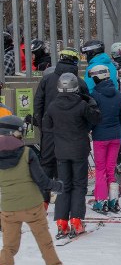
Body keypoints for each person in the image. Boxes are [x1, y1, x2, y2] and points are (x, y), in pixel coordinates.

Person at [0, 115, 66, 265]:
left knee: (8, 248)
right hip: (33, 207)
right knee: (45, 245)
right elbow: (42, 181)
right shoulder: (27, 153)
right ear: (15, 133)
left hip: (8, 209)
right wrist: (58, 186)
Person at [45, 73, 100, 239]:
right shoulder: (82, 104)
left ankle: (61, 221)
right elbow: (96, 119)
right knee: (79, 185)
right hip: (79, 150)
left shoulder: (53, 106)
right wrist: (91, 103)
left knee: (63, 185)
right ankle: (76, 219)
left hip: (61, 151)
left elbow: (47, 125)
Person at [33, 49, 86, 192]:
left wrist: (42, 123)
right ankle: (64, 194)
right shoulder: (80, 83)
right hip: (72, 131)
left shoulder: (47, 79)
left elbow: (38, 103)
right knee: (68, 163)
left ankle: (44, 197)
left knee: (47, 163)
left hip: (49, 129)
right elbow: (88, 108)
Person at [88, 64, 121, 214]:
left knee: (100, 170)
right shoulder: (118, 94)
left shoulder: (94, 96)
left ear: (97, 78)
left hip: (100, 137)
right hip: (116, 135)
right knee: (111, 169)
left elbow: (92, 118)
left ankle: (100, 200)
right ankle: (113, 201)